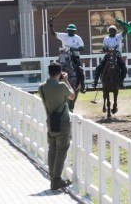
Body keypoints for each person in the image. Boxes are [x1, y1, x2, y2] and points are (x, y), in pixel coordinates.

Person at [38, 62, 75, 190]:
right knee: (61, 150)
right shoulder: (61, 86)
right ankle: (56, 180)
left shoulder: (41, 87)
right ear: (60, 73)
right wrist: (66, 81)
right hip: (63, 122)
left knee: (52, 149)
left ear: (48, 73)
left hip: (50, 121)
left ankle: (53, 178)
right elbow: (72, 96)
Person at [49, 20, 86, 93]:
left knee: (80, 70)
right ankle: (53, 85)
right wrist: (51, 26)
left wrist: (74, 49)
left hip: (74, 57)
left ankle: (82, 86)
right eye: (69, 30)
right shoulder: (63, 36)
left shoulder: (77, 38)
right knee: (56, 70)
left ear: (75, 31)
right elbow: (53, 34)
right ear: (67, 30)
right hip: (64, 56)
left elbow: (82, 48)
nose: (71, 32)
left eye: (72, 30)